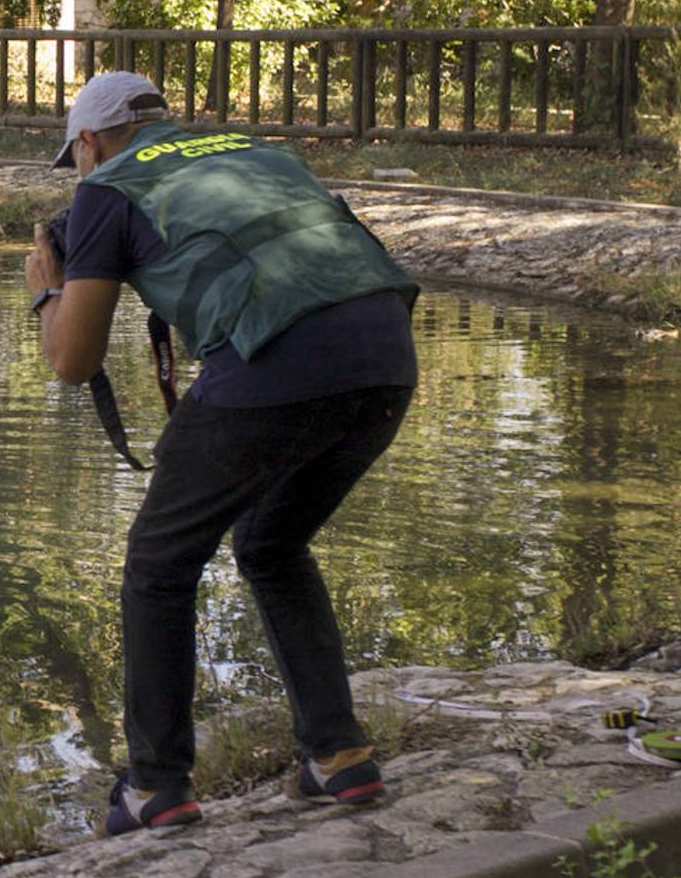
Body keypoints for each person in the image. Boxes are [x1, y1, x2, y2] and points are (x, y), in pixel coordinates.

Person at [25, 72, 419, 837]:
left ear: (88, 143)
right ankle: (339, 756)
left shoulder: (105, 187)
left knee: (158, 564)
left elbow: (72, 361)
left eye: (76, 160)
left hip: (279, 363)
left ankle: (157, 786)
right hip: (387, 354)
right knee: (271, 543)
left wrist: (49, 289)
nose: (80, 174)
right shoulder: (255, 151)